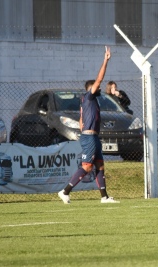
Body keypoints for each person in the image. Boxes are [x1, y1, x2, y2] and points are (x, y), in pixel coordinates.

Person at [58, 46, 119, 204]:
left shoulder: (87, 101)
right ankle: (65, 192)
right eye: (97, 87)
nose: (99, 88)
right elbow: (99, 79)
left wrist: (84, 129)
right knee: (87, 167)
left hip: (93, 137)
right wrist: (105, 60)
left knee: (99, 165)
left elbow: (80, 118)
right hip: (89, 137)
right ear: (92, 88)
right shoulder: (90, 97)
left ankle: (104, 197)